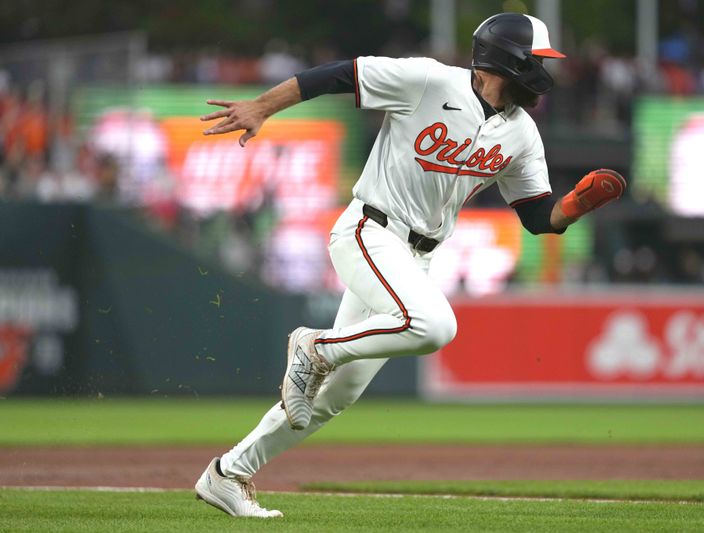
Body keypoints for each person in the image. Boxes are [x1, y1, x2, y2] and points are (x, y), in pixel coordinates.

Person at [193, 13, 626, 518]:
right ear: (508, 60)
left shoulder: (523, 133)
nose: (545, 71)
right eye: (538, 60)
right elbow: (338, 75)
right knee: (434, 325)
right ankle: (314, 346)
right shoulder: (427, 81)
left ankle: (229, 474)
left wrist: (573, 206)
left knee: (337, 395)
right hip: (369, 229)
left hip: (416, 256)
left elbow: (535, 217)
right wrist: (262, 107)